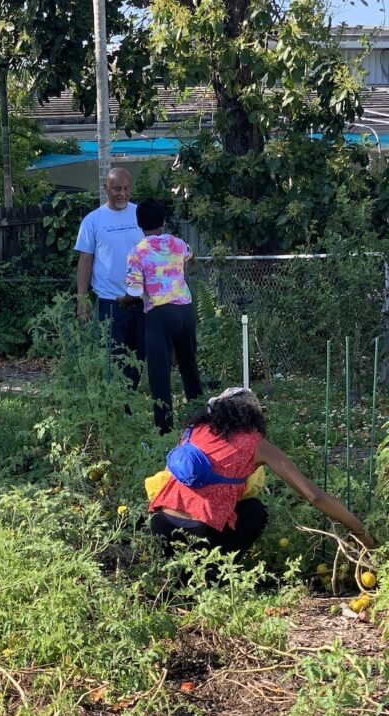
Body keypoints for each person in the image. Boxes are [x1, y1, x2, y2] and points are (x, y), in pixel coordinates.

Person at [149, 387, 374, 559]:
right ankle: (216, 573)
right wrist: (360, 531)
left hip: (161, 524)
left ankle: (182, 576)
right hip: (201, 533)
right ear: (252, 416)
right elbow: (314, 496)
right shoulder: (255, 444)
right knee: (254, 510)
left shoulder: (192, 432)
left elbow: (170, 477)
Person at [120, 198, 203, 433]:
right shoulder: (178, 244)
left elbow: (134, 292)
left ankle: (164, 430)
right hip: (185, 311)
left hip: (160, 314)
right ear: (164, 221)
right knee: (189, 368)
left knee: (160, 373)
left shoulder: (137, 253)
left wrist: (123, 301)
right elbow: (191, 256)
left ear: (139, 223)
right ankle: (200, 422)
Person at [74, 167, 146, 387]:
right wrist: (81, 298)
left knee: (138, 355)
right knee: (113, 356)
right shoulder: (93, 220)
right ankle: (116, 401)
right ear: (106, 188)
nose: (122, 194)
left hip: (140, 299)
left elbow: (154, 252)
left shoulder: (140, 214)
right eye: (117, 189)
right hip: (110, 301)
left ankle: (130, 400)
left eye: (126, 189)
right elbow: (85, 260)